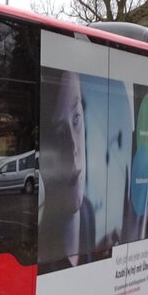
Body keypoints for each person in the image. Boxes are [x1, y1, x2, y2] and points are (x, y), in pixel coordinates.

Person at [39, 70, 96, 271]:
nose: (73, 149)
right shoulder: (41, 249)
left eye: (76, 120)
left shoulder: (88, 213)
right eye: (59, 132)